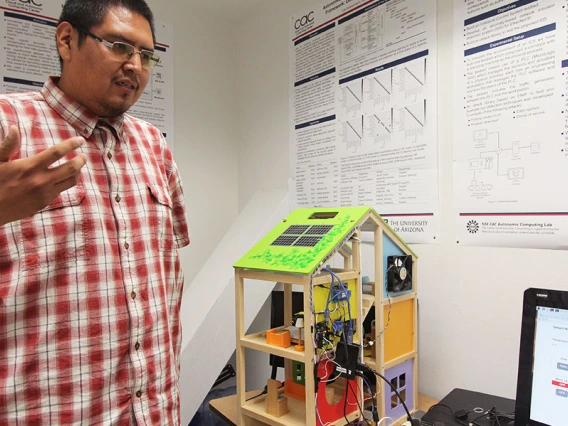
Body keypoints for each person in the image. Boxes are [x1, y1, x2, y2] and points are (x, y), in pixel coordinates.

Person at [0, 0, 189, 425]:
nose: (136, 66)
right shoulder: (7, 124)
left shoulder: (154, 145)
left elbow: (164, 279)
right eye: (120, 46)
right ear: (67, 40)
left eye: (146, 55)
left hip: (156, 410)